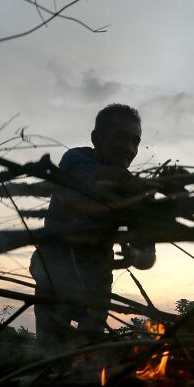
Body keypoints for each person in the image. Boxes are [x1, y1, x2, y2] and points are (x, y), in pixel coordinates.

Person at [30, 103, 156, 346]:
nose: (129, 148)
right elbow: (95, 179)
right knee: (51, 352)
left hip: (96, 284)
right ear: (96, 138)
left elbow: (148, 257)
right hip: (53, 275)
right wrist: (138, 191)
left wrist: (135, 255)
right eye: (120, 137)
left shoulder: (135, 197)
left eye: (135, 141)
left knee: (89, 357)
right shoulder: (76, 159)